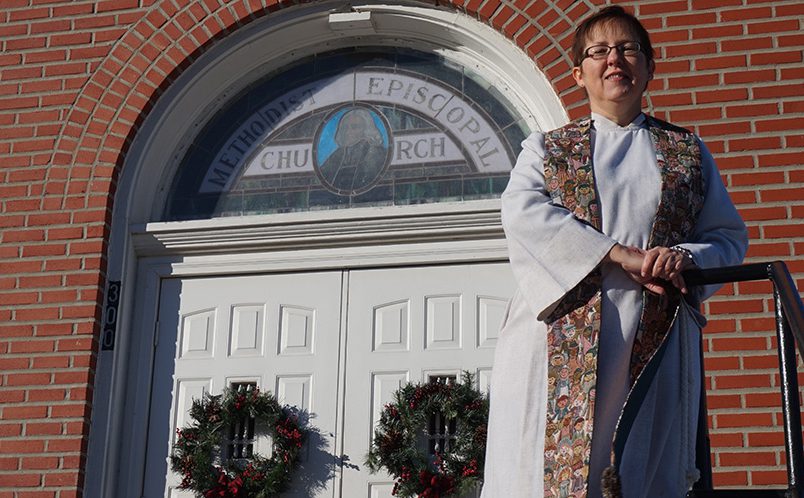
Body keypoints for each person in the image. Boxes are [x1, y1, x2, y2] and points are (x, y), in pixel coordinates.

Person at [481, 6, 747, 498]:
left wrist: (686, 257)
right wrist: (617, 254)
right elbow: (522, 214)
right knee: (546, 469)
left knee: (647, 465)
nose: (614, 60)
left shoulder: (686, 150)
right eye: (598, 51)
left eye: (628, 49)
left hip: (657, 330)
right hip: (561, 328)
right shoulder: (546, 147)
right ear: (578, 73)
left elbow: (727, 236)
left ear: (649, 67)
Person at [317, 107, 388, 193]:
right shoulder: (338, 154)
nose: (348, 132)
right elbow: (321, 179)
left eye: (354, 127)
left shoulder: (377, 154)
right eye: (345, 127)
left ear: (366, 129)